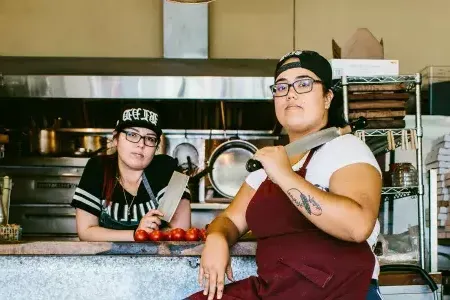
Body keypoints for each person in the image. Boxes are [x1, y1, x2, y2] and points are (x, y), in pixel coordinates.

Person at [188, 50, 383, 300]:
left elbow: (357, 227)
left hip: (338, 293)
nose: (290, 93)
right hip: (278, 292)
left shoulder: (346, 149)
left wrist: (284, 175)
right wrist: (216, 237)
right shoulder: (264, 168)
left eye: (304, 84)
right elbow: (230, 220)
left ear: (327, 97)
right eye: (281, 87)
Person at [71, 104, 191, 241]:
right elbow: (86, 232)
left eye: (150, 138)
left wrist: (149, 233)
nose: (141, 144)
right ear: (116, 139)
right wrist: (136, 234)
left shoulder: (168, 171)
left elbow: (180, 233)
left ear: (156, 146)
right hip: (104, 260)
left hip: (156, 261)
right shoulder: (97, 168)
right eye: (132, 134)